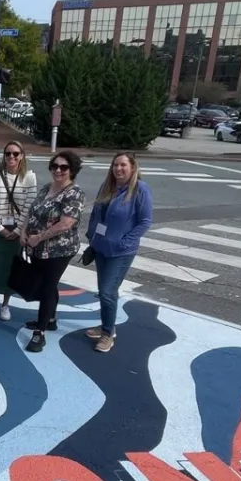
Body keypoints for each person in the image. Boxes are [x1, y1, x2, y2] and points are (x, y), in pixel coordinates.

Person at [85, 152, 152, 354]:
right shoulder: (108, 187)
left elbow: (145, 221)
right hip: (101, 248)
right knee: (105, 291)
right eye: (115, 165)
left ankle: (108, 333)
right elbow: (96, 214)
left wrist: (126, 241)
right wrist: (91, 236)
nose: (118, 169)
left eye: (123, 165)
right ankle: (106, 325)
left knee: (107, 292)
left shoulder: (140, 189)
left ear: (132, 167)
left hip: (121, 252)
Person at [21, 150, 85, 353]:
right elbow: (32, 212)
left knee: (46, 287)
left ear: (72, 170)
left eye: (64, 167)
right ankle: (50, 319)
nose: (58, 170)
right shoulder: (47, 188)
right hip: (37, 247)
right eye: (55, 166)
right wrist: (24, 232)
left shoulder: (74, 194)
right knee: (47, 284)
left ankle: (40, 333)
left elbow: (65, 224)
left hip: (59, 249)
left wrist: (38, 237)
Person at [0, 141, 38, 322]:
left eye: (15, 154)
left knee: (11, 268)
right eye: (8, 154)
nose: (11, 157)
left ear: (22, 156)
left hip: (17, 230)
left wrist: (19, 229)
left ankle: (5, 304)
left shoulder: (29, 177)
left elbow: (30, 205)